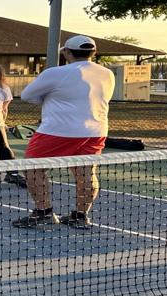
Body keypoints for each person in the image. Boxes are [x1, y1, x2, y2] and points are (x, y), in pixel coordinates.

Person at [11, 35, 113, 229]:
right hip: (96, 131)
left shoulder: (55, 73)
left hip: (57, 130)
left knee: (33, 168)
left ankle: (43, 212)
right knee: (86, 172)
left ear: (66, 52)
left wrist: (49, 99)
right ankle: (80, 216)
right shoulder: (107, 73)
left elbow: (26, 95)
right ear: (94, 53)